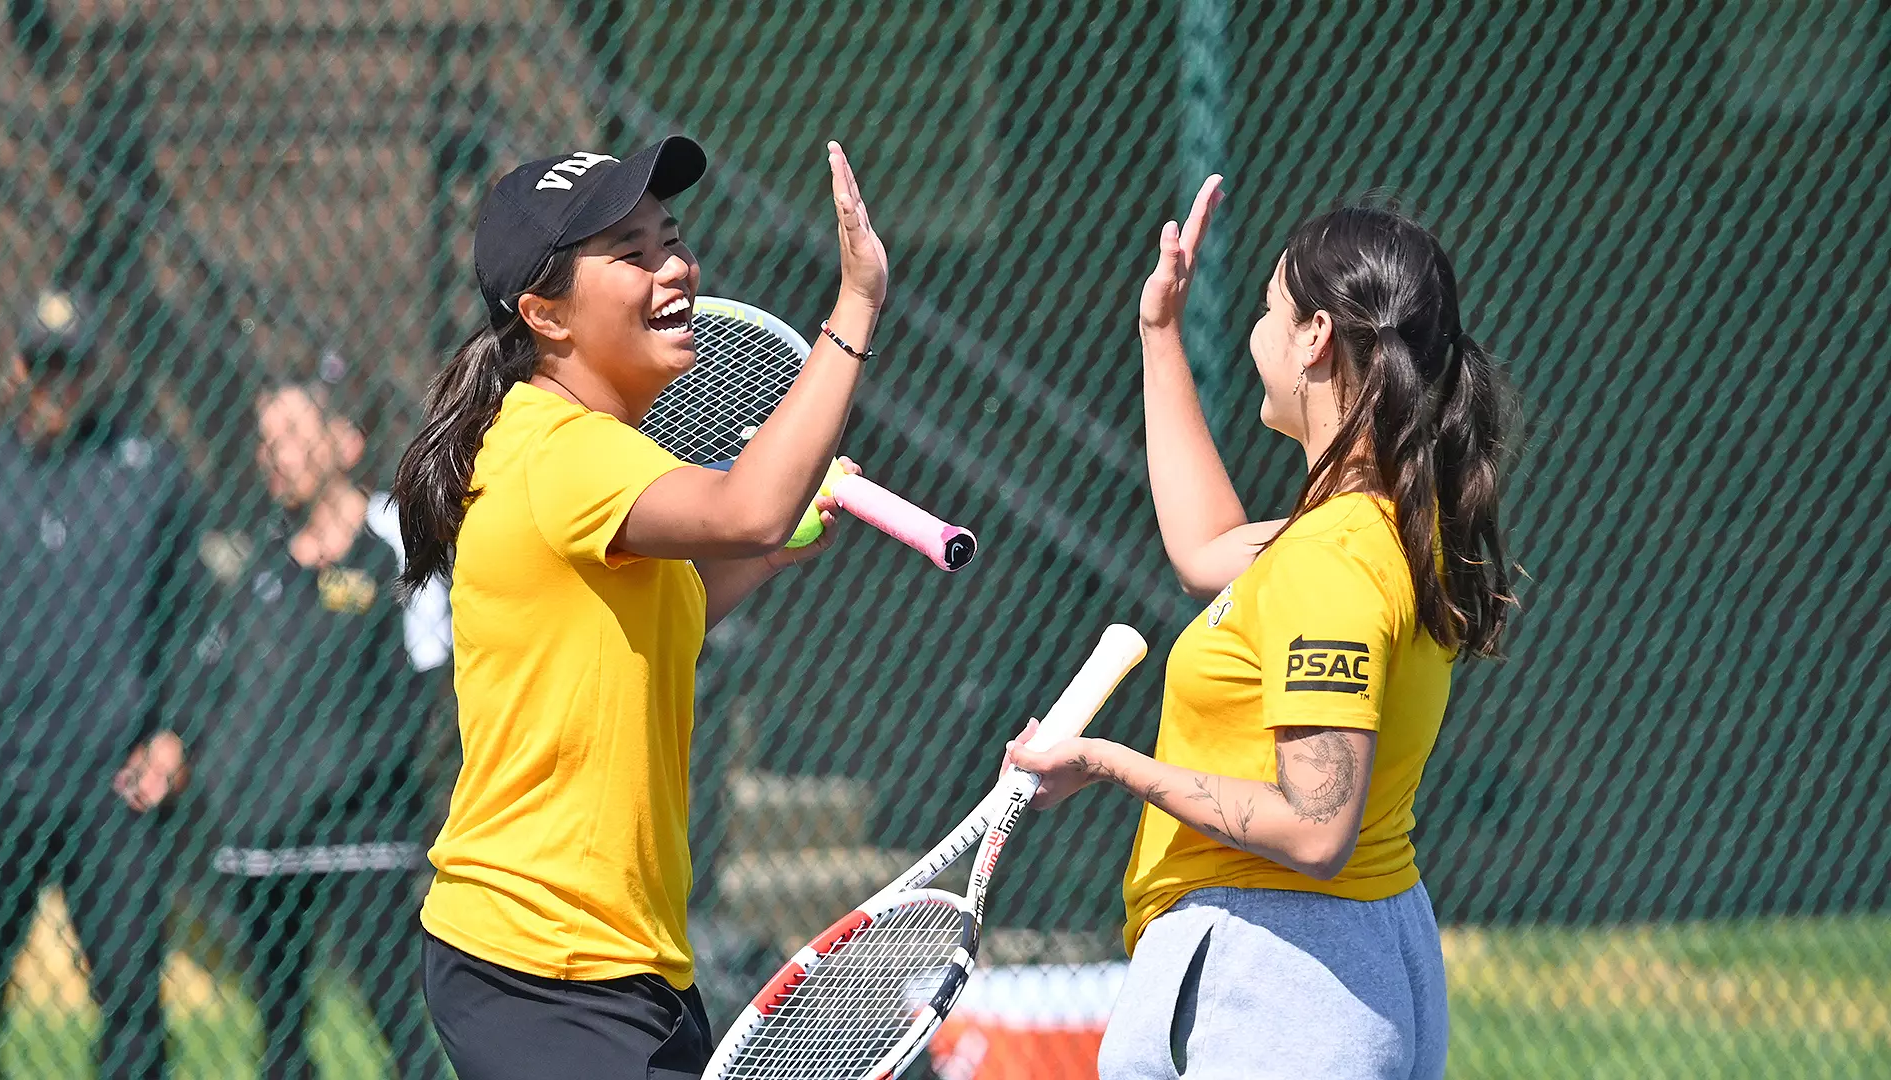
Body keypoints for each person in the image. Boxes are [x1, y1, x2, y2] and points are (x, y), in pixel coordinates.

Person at [389, 135, 886, 1078]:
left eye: (672, 238)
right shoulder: (569, 452)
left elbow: (675, 604)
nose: (676, 267)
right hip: (543, 965)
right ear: (546, 314)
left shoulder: (562, 449)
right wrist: (856, 304)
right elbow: (743, 507)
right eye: (632, 253)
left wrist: (783, 539)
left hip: (615, 963)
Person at [1005, 180, 1521, 1080]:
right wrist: (1158, 332)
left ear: (1315, 338)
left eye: (1268, 307)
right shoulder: (1368, 527)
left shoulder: (1335, 561)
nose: (1255, 331)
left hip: (1285, 980)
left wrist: (1106, 764)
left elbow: (1315, 829)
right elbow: (1204, 545)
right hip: (1319, 965)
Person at [188, 377, 451, 1078]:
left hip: (364, 832)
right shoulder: (262, 567)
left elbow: (433, 690)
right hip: (267, 836)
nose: (275, 455)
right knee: (279, 1038)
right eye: (265, 440)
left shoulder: (396, 549)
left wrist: (367, 784)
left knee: (400, 1020)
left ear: (345, 443)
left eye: (294, 437)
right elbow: (222, 690)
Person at [0, 287, 202, 1080]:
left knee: (133, 999)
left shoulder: (147, 473)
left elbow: (190, 620)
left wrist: (172, 735)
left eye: (71, 367)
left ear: (94, 371)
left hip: (113, 784)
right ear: (16, 367)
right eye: (42, 365)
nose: (56, 383)